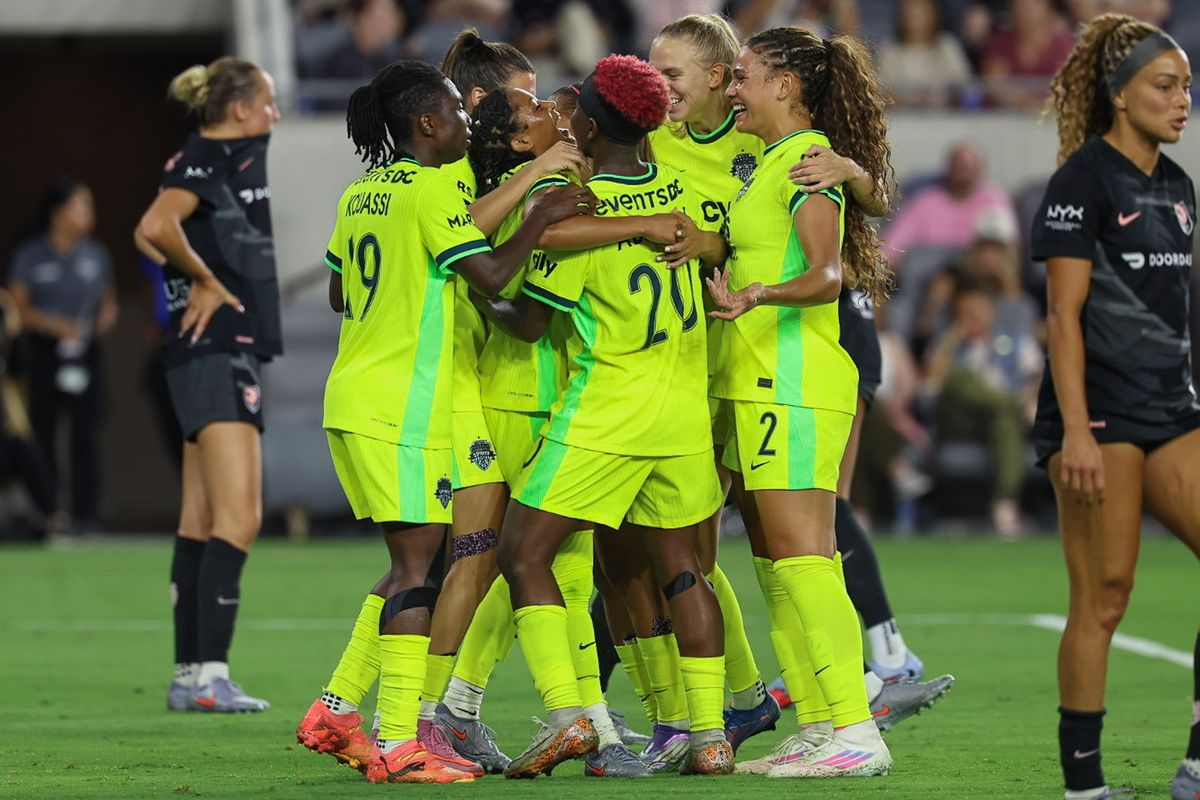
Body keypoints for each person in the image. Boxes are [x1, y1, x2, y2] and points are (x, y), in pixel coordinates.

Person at [294, 59, 591, 785]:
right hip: (402, 404)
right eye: (459, 110)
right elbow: (489, 276)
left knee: (413, 563)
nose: (468, 119)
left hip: (359, 394)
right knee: (419, 569)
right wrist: (543, 216)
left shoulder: (361, 190)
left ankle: (337, 709)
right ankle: (400, 743)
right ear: (429, 122)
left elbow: (337, 290)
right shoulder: (433, 190)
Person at [478, 54, 733, 778]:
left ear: (589, 121)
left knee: (523, 553)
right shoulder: (688, 194)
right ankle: (710, 736)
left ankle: (569, 717)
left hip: (607, 411)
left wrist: (474, 289)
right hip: (683, 408)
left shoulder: (584, 209)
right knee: (683, 569)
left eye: (574, 110)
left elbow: (528, 319)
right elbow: (719, 242)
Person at [432, 81, 652, 778]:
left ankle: (468, 708)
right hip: (526, 394)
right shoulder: (540, 198)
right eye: (546, 114)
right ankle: (575, 723)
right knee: (553, 564)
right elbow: (523, 309)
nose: (562, 117)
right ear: (523, 141)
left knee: (545, 565)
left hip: (550, 394)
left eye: (563, 109)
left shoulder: (554, 185)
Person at [704, 25, 892, 778]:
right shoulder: (773, 163)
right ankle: (818, 724)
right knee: (782, 564)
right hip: (760, 381)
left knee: (806, 557)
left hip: (795, 379)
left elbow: (825, 275)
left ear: (785, 85)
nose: (734, 88)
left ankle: (856, 727)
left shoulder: (808, 165)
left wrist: (758, 293)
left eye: (744, 75)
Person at [415, 29, 593, 774]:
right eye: (529, 99)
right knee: (479, 561)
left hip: (501, 386)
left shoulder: (470, 177)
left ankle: (458, 711)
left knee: (509, 562)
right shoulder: (467, 184)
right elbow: (504, 289)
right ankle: (422, 716)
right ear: (492, 111)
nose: (548, 105)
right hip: (498, 394)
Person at [1031, 14, 1200, 800]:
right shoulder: (1082, 183)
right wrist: (1074, 433)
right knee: (1104, 597)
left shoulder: (1178, 186)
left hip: (1171, 409)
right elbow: (1062, 317)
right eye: (1165, 87)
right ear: (1118, 94)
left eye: (1187, 88)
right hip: (1096, 415)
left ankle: (1196, 762)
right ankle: (1085, 787)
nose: (1181, 101)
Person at [135, 58, 280, 713]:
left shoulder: (225, 158)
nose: (276, 116)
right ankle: (211, 675)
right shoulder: (206, 158)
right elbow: (153, 226)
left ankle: (192, 675)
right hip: (217, 350)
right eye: (270, 104)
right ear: (243, 109)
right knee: (240, 516)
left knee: (199, 516)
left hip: (208, 353)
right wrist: (208, 281)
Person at [8, 178, 118, 537]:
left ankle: (87, 512)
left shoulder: (95, 254)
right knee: (42, 429)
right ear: (57, 213)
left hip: (83, 352)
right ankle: (48, 511)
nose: (87, 215)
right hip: (44, 352)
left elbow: (109, 304)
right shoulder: (31, 254)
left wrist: (97, 323)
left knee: (85, 432)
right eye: (79, 206)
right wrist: (52, 324)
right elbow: (17, 308)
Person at [876, 0, 973, 108]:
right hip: (903, 118)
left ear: (934, 15)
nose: (915, 19)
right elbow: (883, 91)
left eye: (921, 12)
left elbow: (963, 84)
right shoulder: (891, 50)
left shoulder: (947, 46)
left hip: (945, 116)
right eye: (910, 13)